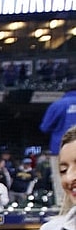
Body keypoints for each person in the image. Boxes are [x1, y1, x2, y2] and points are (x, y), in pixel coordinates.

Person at [40, 78, 76, 206]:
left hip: (61, 150)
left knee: (62, 180)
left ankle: (63, 210)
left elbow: (44, 127)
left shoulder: (58, 104)